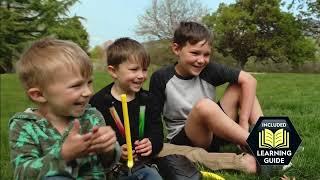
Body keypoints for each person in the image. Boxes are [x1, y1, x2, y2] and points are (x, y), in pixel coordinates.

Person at [149, 21, 263, 173]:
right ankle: (260, 146)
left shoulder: (208, 70)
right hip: (186, 139)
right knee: (204, 106)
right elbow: (153, 118)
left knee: (239, 87)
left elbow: (249, 80)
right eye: (195, 53)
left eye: (206, 54)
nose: (201, 60)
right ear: (176, 49)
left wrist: (243, 122)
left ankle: (265, 136)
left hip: (213, 132)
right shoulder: (161, 77)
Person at [9, 37, 121, 180]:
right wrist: (63, 156)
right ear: (39, 95)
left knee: (147, 174)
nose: (88, 92)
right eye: (76, 86)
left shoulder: (91, 117)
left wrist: (108, 149)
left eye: (89, 82)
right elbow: (22, 173)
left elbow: (107, 165)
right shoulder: (25, 126)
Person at [89, 37, 163, 180]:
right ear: (113, 71)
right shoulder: (98, 102)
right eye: (134, 69)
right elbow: (95, 139)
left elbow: (157, 131)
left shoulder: (149, 99)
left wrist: (151, 143)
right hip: (112, 167)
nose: (141, 75)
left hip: (143, 165)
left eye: (144, 69)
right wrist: (115, 151)